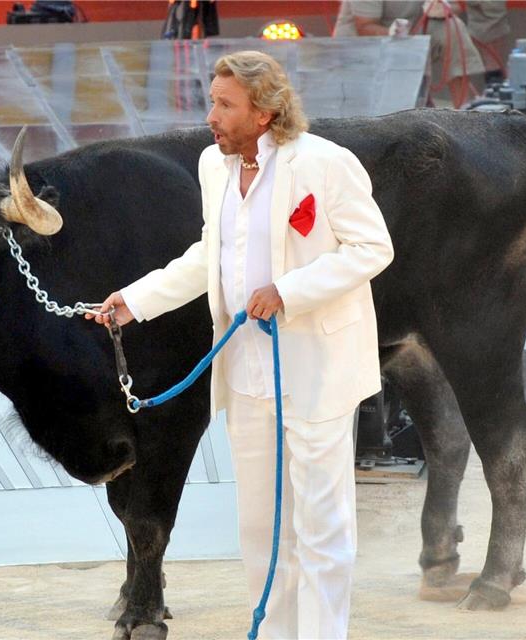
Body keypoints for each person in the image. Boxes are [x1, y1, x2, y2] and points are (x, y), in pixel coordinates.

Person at [87, 50, 393, 639]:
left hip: (317, 373)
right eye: (212, 101)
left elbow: (372, 249)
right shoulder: (213, 166)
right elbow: (211, 252)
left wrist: (288, 290)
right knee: (260, 529)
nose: (212, 116)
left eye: (225, 105)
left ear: (265, 112)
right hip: (246, 375)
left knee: (321, 527)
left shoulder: (327, 164)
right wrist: (137, 299)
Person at [333, 0, 485, 107]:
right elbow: (364, 26)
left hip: (411, 36)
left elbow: (456, 5)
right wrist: (394, 34)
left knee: (452, 26)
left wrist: (444, 7)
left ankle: (464, 108)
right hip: (361, 48)